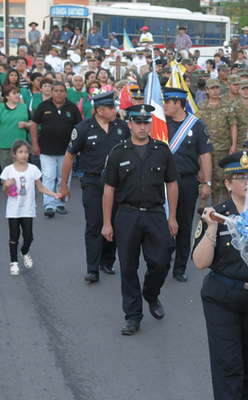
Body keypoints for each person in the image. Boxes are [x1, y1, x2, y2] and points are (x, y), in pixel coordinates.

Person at [191, 151, 248, 399]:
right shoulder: (216, 214)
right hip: (223, 297)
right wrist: (213, 229)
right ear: (228, 184)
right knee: (228, 366)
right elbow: (200, 261)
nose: (247, 182)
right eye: (240, 177)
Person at [101, 104, 179, 335]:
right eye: (138, 122)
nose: (142, 127)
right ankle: (133, 315)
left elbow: (172, 183)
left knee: (162, 261)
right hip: (127, 215)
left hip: (155, 213)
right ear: (130, 124)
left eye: (146, 122)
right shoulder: (118, 152)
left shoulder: (162, 150)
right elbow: (109, 188)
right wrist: (107, 222)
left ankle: (151, 293)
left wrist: (172, 216)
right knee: (128, 266)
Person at [60, 92, 130, 283]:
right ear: (100, 110)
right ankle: (92, 268)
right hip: (93, 182)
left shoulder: (122, 128)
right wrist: (63, 185)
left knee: (115, 222)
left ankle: (107, 261)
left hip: (117, 184)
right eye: (111, 108)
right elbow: (69, 157)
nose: (115, 110)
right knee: (94, 223)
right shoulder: (83, 128)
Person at [163, 87, 212, 282]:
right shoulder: (161, 123)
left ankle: (180, 267)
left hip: (186, 180)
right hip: (162, 181)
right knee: (161, 222)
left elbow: (205, 155)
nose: (164, 105)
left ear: (178, 103)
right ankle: (162, 259)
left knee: (183, 223)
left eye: (167, 102)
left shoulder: (197, 126)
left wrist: (207, 182)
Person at [1, 140, 61, 276]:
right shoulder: (8, 170)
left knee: (29, 237)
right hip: (13, 210)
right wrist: (6, 185)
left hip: (28, 209)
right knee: (14, 237)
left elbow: (40, 187)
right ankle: (14, 262)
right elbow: (6, 192)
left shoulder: (33, 169)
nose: (24, 155)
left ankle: (24, 252)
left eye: (26, 152)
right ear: (14, 154)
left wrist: (54, 194)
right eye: (20, 152)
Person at [30, 81, 82, 218]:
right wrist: (34, 143)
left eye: (61, 90)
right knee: (48, 177)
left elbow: (80, 127)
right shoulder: (43, 106)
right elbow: (34, 124)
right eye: (56, 90)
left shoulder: (72, 107)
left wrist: (79, 147)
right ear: (51, 92)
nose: (59, 93)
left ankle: (61, 202)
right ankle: (49, 205)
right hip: (46, 150)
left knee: (63, 178)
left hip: (67, 152)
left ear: (65, 93)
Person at [197, 79, 237, 204]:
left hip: (223, 148)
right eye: (212, 88)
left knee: (223, 180)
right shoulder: (201, 107)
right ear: (207, 90)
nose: (215, 91)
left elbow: (233, 125)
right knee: (205, 179)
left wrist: (234, 145)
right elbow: (196, 127)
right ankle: (203, 211)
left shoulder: (227, 106)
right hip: (205, 150)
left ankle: (222, 209)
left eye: (217, 88)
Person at [0, 85, 32, 169]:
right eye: (14, 93)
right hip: (4, 146)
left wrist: (26, 124)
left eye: (18, 93)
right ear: (7, 96)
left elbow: (32, 122)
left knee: (22, 171)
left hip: (21, 146)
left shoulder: (24, 106)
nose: (17, 95)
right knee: (7, 174)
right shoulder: (0, 107)